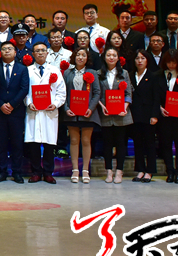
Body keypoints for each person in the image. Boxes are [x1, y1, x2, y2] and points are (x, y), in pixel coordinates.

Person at [24, 42, 66, 184]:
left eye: (43, 50)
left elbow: (61, 91)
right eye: (37, 51)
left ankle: (48, 173)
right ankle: (36, 172)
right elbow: (24, 90)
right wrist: (29, 102)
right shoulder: (28, 70)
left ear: (47, 53)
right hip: (33, 112)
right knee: (34, 144)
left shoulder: (55, 70)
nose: (40, 53)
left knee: (49, 144)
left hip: (50, 112)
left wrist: (56, 104)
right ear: (33, 54)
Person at [62, 47, 101, 184]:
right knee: (73, 140)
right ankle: (75, 170)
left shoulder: (92, 73)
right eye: (78, 54)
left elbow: (97, 92)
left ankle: (85, 170)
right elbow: (63, 92)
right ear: (74, 57)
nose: (80, 57)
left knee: (86, 140)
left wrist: (91, 108)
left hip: (87, 113)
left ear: (87, 58)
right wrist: (66, 108)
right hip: (72, 112)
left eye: (83, 55)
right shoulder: (68, 73)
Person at [0, 41, 30, 184]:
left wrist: (12, 104)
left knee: (17, 143)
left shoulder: (22, 69)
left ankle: (17, 172)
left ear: (15, 52)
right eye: (4, 49)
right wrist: (1, 104)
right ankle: (2, 171)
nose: (7, 51)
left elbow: (24, 88)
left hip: (16, 112)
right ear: (0, 52)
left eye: (10, 49)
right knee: (1, 143)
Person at [97, 46, 133, 184]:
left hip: (121, 114)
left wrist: (124, 107)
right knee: (107, 144)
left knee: (120, 143)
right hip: (105, 113)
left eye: (114, 55)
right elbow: (97, 94)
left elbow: (128, 93)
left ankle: (119, 171)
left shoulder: (124, 73)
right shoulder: (99, 73)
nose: (111, 57)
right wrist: (102, 107)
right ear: (104, 57)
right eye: (108, 55)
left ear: (118, 58)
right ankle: (109, 171)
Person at [157, 49, 178, 184]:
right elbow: (155, 95)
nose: (171, 65)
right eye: (169, 62)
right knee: (165, 144)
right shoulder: (159, 75)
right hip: (164, 116)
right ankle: (169, 171)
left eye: (174, 62)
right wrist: (159, 108)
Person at [129, 50, 162, 183]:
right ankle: (140, 170)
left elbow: (156, 97)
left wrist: (155, 115)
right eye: (137, 58)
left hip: (148, 114)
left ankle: (150, 171)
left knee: (149, 143)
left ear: (147, 60)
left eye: (143, 58)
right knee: (137, 143)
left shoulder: (153, 76)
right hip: (134, 114)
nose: (140, 61)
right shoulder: (130, 75)